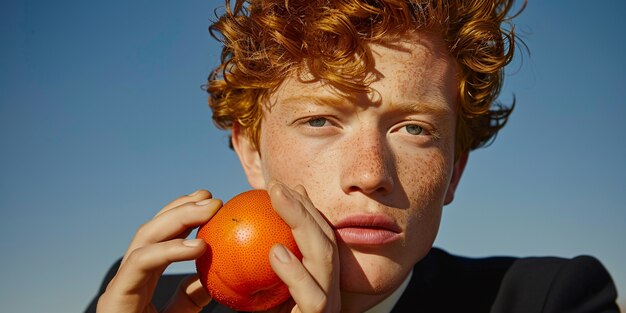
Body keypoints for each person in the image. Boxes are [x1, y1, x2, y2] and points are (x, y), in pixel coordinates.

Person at [87, 0, 620, 312]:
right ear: (251, 152)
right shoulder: (147, 302)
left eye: (414, 128)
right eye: (320, 120)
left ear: (454, 171)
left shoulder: (549, 301)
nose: (369, 174)